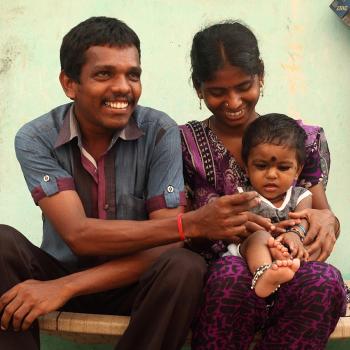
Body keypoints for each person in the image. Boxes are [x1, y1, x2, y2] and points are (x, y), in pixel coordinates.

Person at [0, 17, 272, 350]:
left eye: (133, 74)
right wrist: (193, 224)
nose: (123, 87)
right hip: (56, 275)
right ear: (70, 84)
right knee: (1, 243)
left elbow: (167, 244)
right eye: (104, 74)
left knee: (185, 266)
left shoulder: (160, 131)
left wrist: (68, 287)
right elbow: (78, 235)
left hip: (133, 281)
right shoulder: (37, 137)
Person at [180, 21, 347, 349]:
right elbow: (177, 226)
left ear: (261, 77)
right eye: (217, 91)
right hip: (221, 276)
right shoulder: (183, 145)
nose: (233, 101)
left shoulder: (302, 141)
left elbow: (323, 216)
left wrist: (325, 224)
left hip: (289, 267)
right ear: (199, 88)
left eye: (244, 86)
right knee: (229, 277)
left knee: (326, 282)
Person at [224, 113, 313, 298]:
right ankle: (264, 274)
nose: (272, 174)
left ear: (298, 170)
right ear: (247, 168)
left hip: (286, 252)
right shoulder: (243, 196)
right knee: (261, 236)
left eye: (283, 168)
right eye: (261, 166)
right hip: (248, 252)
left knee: (293, 249)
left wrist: (295, 234)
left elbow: (304, 218)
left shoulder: (301, 196)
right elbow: (237, 229)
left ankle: (280, 266)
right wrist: (268, 231)